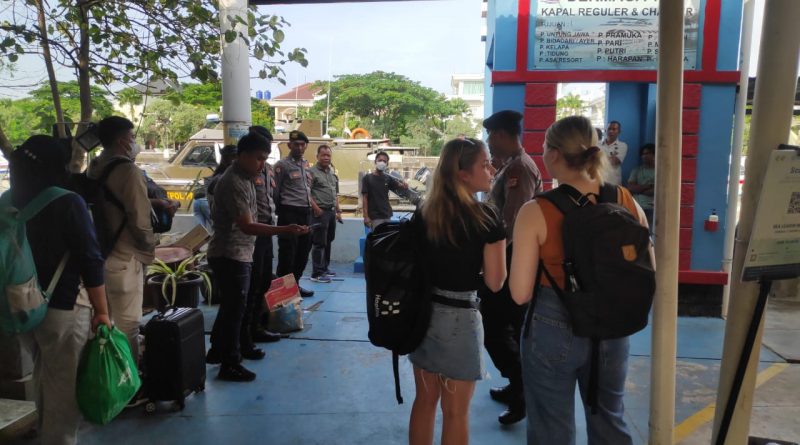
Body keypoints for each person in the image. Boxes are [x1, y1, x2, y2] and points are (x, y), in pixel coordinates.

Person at [509, 115, 648, 445]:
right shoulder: (625, 201)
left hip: (553, 325)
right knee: (609, 419)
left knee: (551, 428)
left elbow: (519, 293)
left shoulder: (536, 211)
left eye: (545, 146)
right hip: (612, 328)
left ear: (555, 154)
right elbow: (648, 270)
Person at [9, 135, 112, 445]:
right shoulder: (67, 201)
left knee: (44, 373)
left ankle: (46, 433)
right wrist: (102, 311)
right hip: (61, 305)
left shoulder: (7, 200)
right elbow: (90, 259)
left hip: (19, 305)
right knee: (64, 386)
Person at [408, 137, 507, 445]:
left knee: (424, 403)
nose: (492, 170)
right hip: (461, 319)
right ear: (463, 174)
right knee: (455, 413)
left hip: (423, 316)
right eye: (485, 164)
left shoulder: (425, 212)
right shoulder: (486, 216)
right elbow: (496, 281)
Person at [205, 132, 308, 382]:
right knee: (234, 310)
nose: (262, 164)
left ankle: (224, 349)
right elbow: (247, 225)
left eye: (265, 159)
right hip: (230, 253)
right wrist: (284, 229)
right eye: (258, 158)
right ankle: (230, 363)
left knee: (235, 307)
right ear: (242, 156)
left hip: (242, 252)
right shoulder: (234, 182)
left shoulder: (247, 177)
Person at [480, 109, 542, 425]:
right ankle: (517, 385)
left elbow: (514, 222)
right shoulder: (509, 165)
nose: (489, 142)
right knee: (502, 329)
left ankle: (521, 393)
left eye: (490, 135)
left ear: (502, 134)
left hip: (510, 262)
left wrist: (491, 260)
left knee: (498, 330)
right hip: (506, 260)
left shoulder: (520, 168)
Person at [88, 116, 155, 369]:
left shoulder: (94, 166)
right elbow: (139, 220)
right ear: (122, 141)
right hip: (125, 258)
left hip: (100, 256)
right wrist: (149, 247)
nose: (134, 142)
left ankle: (108, 377)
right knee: (128, 327)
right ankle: (128, 381)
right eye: (132, 137)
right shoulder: (128, 171)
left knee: (106, 323)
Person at [245, 125, 282, 344]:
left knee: (265, 279)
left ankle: (258, 324)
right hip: (252, 233)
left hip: (267, 230)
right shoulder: (244, 171)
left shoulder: (267, 169)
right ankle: (249, 330)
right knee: (253, 282)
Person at [274, 130, 315, 298]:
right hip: (289, 212)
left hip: (305, 213)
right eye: (296, 144)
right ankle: (283, 293)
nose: (299, 147)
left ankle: (295, 286)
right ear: (289, 145)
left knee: (303, 253)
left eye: (302, 144)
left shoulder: (306, 164)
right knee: (287, 254)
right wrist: (281, 213)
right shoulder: (282, 165)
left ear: (306, 146)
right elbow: (276, 192)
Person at [309, 144, 341, 283]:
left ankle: (325, 268)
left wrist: (338, 210)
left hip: (331, 212)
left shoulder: (331, 173)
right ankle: (317, 273)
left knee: (328, 241)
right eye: (323, 155)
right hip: (320, 212)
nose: (326, 158)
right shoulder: (311, 172)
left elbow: (335, 193)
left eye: (328, 155)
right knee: (319, 243)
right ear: (317, 156)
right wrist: (316, 209)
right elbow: (307, 193)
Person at [193, 145, 237, 232]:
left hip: (199, 201)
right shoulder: (224, 179)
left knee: (201, 232)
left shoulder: (218, 176)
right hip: (226, 228)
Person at [361, 150, 408, 230]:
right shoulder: (367, 178)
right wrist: (365, 216)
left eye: (384, 161)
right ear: (375, 161)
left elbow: (400, 186)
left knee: (387, 236)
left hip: (387, 215)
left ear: (387, 164)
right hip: (375, 217)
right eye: (380, 160)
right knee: (377, 236)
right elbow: (365, 198)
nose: (382, 162)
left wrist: (404, 184)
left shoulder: (388, 178)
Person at [627, 143, 656, 230]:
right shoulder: (637, 170)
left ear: (654, 155)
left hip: (652, 207)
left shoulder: (659, 171)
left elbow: (656, 190)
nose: (644, 156)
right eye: (643, 154)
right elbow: (630, 187)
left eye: (647, 153)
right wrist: (648, 186)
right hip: (637, 207)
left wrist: (640, 189)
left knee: (650, 232)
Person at [598, 120, 628, 186]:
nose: (611, 131)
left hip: (614, 181)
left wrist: (598, 157)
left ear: (619, 131)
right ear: (605, 130)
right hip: (599, 180)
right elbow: (592, 160)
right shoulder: (597, 145)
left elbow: (615, 161)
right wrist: (610, 157)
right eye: (609, 129)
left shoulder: (622, 145)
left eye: (614, 129)